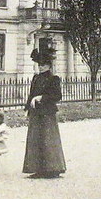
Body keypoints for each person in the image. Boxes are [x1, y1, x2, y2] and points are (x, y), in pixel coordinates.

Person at [22, 47, 66, 178]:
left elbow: (57, 95)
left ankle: (52, 169)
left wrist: (42, 97)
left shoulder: (54, 79)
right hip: (36, 112)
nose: (41, 67)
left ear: (49, 65)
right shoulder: (36, 78)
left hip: (47, 113)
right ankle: (38, 169)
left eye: (43, 65)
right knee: (35, 139)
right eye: (39, 65)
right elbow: (32, 94)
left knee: (48, 139)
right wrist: (27, 109)